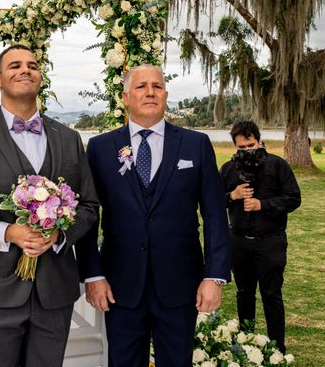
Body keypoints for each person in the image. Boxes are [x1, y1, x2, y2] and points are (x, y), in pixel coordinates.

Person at [0, 45, 99, 367]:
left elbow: (89, 206)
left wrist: (59, 235)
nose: (25, 70)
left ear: (41, 77)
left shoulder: (69, 138)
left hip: (54, 289)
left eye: (32, 65)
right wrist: (8, 232)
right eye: (15, 65)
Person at [76, 64, 231, 367]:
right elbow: (88, 216)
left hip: (180, 281)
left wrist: (214, 276)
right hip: (120, 283)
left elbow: (214, 214)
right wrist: (93, 275)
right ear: (126, 96)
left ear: (166, 95)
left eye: (157, 86)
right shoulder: (100, 148)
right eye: (141, 86)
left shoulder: (195, 144)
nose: (150, 92)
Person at [220, 121, 301, 353]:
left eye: (251, 145)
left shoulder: (278, 166)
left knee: (271, 295)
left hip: (270, 242)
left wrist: (262, 205)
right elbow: (212, 201)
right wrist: (232, 195)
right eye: (242, 147)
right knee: (244, 293)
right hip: (238, 242)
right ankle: (246, 344)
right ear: (235, 146)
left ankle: (277, 348)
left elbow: (293, 198)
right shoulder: (228, 169)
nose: (247, 150)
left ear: (259, 140)